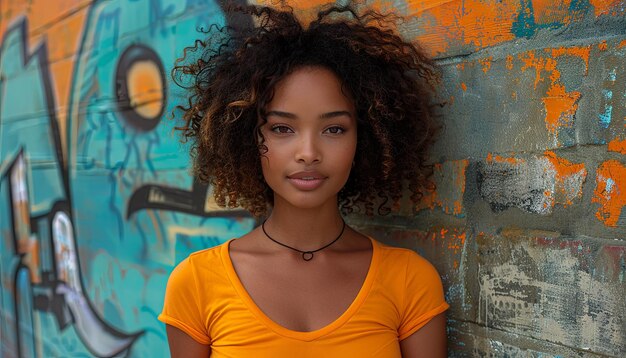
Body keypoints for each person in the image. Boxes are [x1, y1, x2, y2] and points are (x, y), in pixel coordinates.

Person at [158, 3, 448, 357]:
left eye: (334, 128)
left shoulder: (410, 281)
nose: (308, 152)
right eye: (282, 128)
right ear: (248, 136)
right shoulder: (196, 282)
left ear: (366, 137)